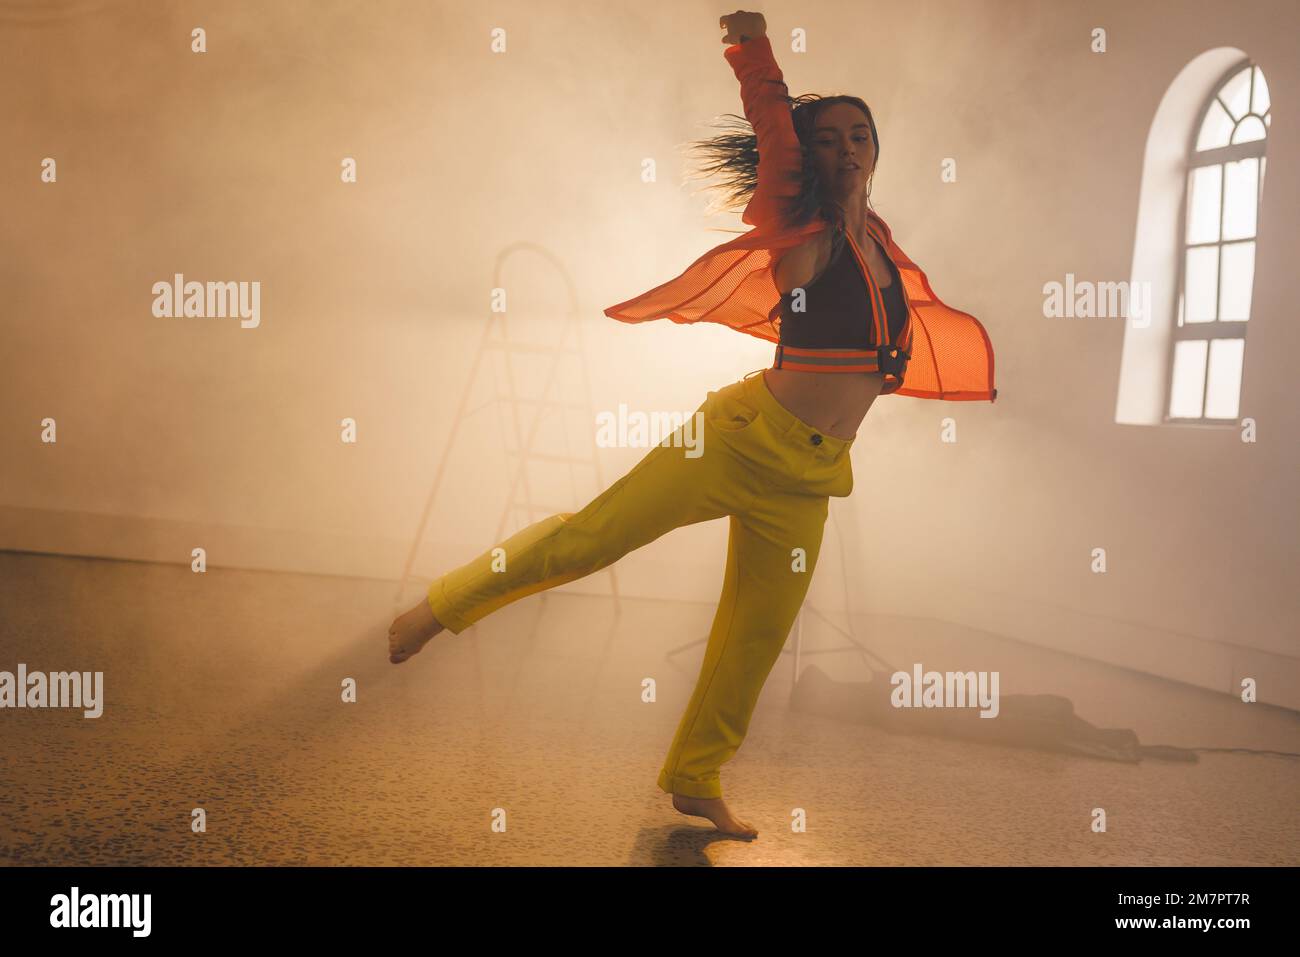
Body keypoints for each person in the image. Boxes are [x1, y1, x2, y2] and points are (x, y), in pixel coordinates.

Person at [387, 10, 996, 839]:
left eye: (861, 135)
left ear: (877, 150)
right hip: (738, 439)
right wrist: (751, 51)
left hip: (812, 475)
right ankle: (440, 605)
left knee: (756, 635)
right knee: (589, 539)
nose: (846, 148)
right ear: (807, 156)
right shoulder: (799, 230)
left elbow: (886, 339)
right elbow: (774, 134)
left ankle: (696, 775)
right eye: (830, 138)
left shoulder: (882, 248)